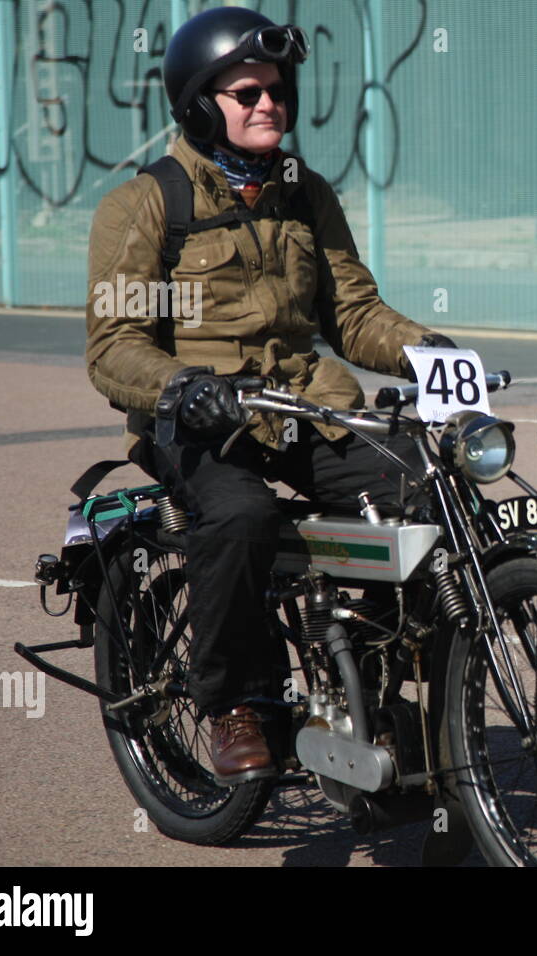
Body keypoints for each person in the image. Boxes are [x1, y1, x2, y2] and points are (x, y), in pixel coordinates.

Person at [84, 7, 454, 785]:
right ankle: (236, 702)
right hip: (197, 417)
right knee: (244, 515)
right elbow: (114, 345)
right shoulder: (147, 202)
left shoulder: (303, 193)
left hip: (304, 402)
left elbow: (351, 314)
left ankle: (378, 689)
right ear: (196, 104)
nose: (267, 105)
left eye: (276, 91)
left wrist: (428, 351)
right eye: (245, 91)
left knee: (427, 483)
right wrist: (181, 386)